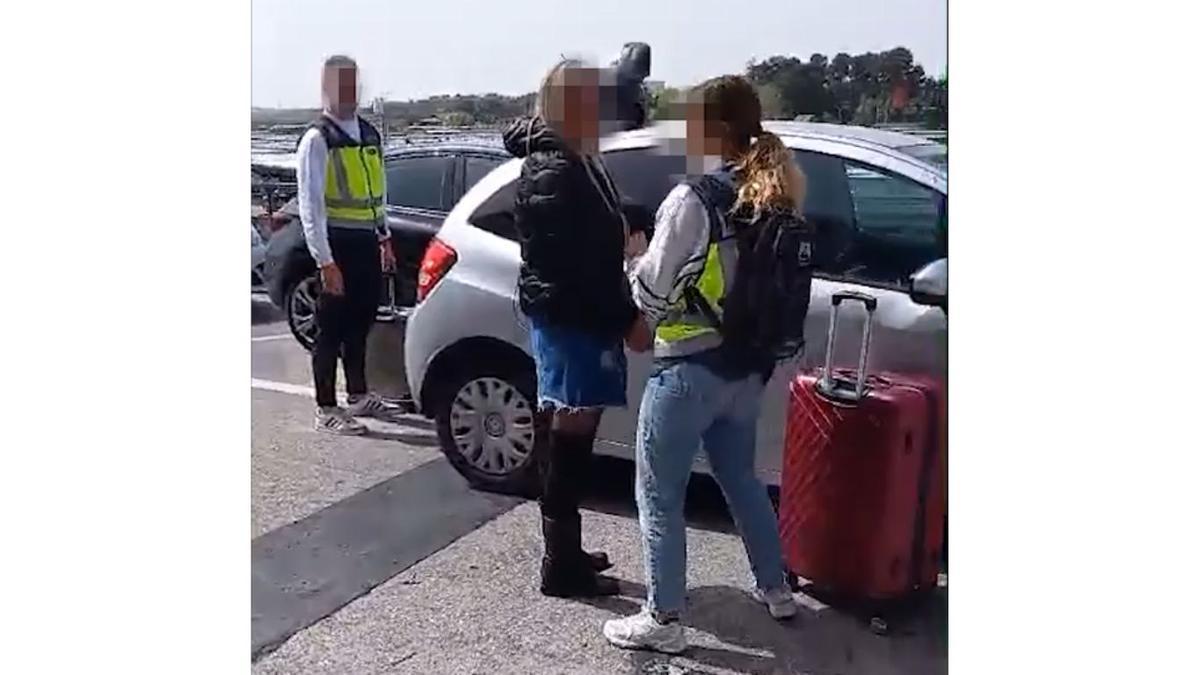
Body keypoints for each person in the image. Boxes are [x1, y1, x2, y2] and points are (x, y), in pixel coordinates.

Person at [604, 75, 811, 653]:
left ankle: (662, 619)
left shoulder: (695, 199)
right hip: (748, 371)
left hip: (688, 372)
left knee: (658, 495)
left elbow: (653, 293)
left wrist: (632, 261)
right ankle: (777, 589)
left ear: (715, 129)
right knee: (742, 481)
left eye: (692, 121)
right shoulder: (776, 195)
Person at [501, 59, 652, 598]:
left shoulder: (572, 156)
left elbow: (589, 244)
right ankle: (560, 564)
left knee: (570, 439)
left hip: (575, 316)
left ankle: (565, 552)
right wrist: (628, 318)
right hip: (574, 319)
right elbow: (575, 267)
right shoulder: (557, 166)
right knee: (570, 442)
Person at [296, 55, 398, 435]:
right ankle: (326, 407)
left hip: (366, 243)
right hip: (335, 244)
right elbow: (311, 206)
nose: (348, 92)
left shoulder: (369, 134)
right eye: (339, 84)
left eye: (352, 84)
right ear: (325, 87)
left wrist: (384, 236)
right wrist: (325, 261)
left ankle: (358, 394)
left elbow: (379, 192)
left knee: (360, 323)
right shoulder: (317, 138)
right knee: (330, 331)